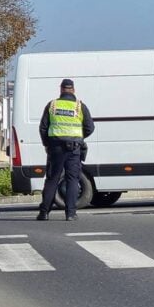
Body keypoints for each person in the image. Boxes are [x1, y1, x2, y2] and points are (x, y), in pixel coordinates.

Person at [37, 78, 94, 221]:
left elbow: (43, 127)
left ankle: (44, 213)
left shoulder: (52, 105)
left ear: (61, 89)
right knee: (72, 179)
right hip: (74, 148)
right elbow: (90, 127)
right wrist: (78, 137)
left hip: (55, 148)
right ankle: (70, 213)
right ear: (73, 90)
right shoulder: (80, 107)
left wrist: (47, 144)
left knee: (52, 179)